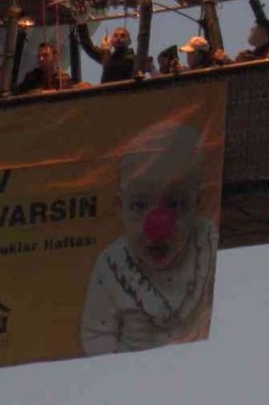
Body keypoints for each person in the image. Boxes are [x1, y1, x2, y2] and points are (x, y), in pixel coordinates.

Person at [80, 120, 217, 355]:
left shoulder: (207, 246)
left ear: (197, 202)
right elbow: (96, 331)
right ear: (120, 206)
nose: (157, 225)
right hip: (131, 374)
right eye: (139, 205)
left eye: (176, 203)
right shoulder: (111, 266)